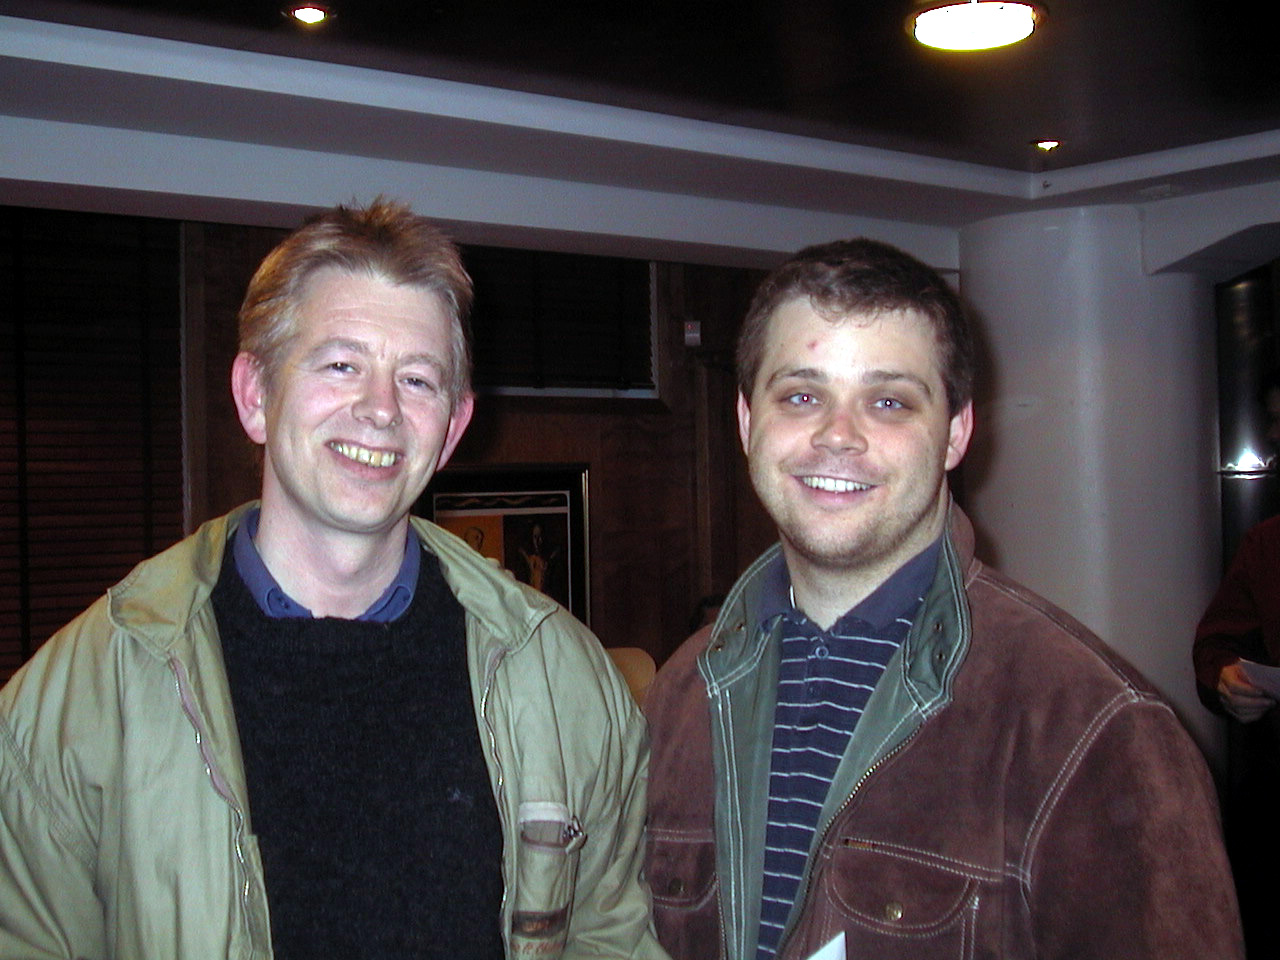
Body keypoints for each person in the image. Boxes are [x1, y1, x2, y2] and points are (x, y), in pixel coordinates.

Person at [0, 199, 665, 960]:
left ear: (452, 428)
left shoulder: (566, 682)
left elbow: (611, 937)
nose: (380, 410)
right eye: (342, 364)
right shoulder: (75, 704)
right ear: (255, 395)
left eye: (417, 380)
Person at [644, 238, 1242, 960]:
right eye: (802, 395)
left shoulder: (1094, 729)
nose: (838, 435)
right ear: (747, 422)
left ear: (956, 433)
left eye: (888, 401)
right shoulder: (681, 696)